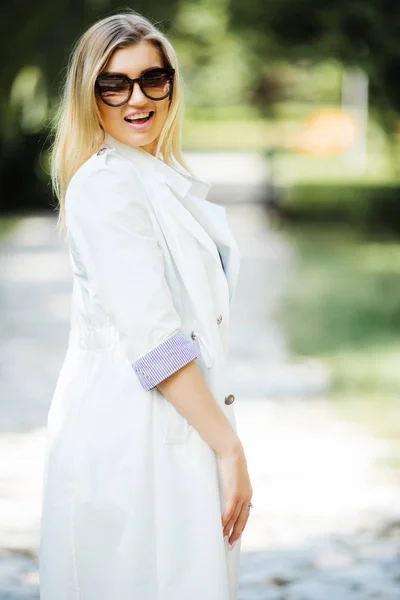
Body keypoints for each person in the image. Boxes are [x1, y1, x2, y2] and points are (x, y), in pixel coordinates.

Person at [39, 9, 253, 600]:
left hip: (174, 426)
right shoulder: (107, 187)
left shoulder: (150, 176)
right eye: (115, 84)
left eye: (153, 79)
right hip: (132, 439)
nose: (138, 98)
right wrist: (229, 449)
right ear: (90, 96)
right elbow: (156, 344)